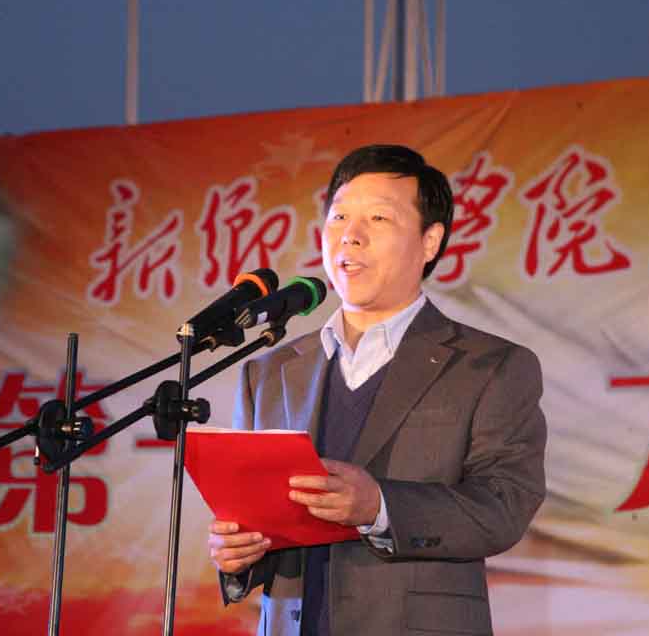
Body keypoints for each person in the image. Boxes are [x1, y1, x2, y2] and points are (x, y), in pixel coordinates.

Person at [208, 144, 546, 636]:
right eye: (340, 216)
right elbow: (256, 516)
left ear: (430, 241)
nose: (351, 234)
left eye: (379, 218)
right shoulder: (269, 371)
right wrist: (238, 557)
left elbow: (504, 507)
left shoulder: (489, 366)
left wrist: (379, 506)